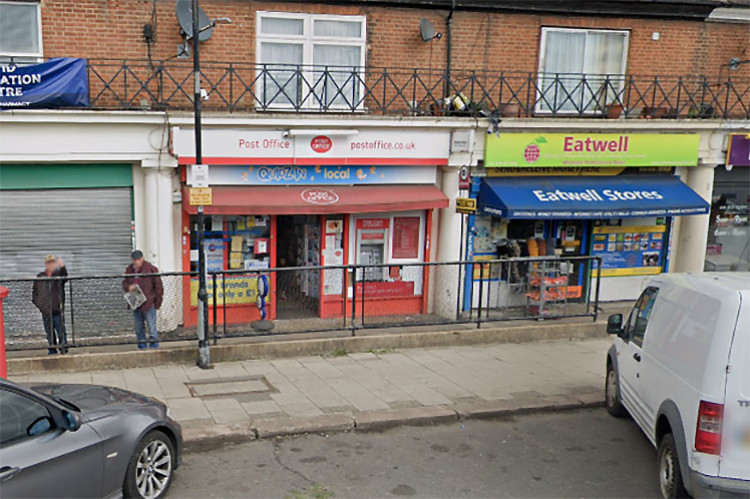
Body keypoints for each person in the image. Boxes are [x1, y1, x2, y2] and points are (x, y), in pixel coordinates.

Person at [122, 250, 163, 349]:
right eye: (134, 260)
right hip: (135, 301)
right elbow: (124, 282)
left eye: (138, 260)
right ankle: (141, 345)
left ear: (142, 259)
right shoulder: (129, 270)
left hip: (148, 302)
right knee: (138, 326)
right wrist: (128, 287)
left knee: (151, 325)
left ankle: (154, 345)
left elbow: (158, 287)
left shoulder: (151, 269)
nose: (136, 262)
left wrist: (157, 303)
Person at [32, 254, 68, 355]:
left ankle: (63, 348)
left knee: (60, 330)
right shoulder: (40, 276)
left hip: (57, 309)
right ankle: (52, 349)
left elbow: (65, 278)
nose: (51, 265)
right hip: (46, 311)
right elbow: (35, 293)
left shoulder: (58, 275)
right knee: (50, 333)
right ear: (46, 264)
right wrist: (41, 306)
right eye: (49, 263)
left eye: (53, 262)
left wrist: (62, 267)